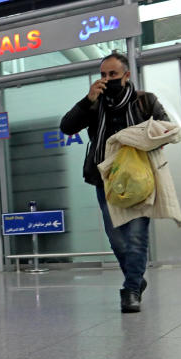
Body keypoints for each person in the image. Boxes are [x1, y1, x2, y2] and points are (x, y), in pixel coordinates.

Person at [60, 51, 167, 313]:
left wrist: (135, 137)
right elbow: (67, 127)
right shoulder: (95, 104)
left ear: (126, 75)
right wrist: (87, 100)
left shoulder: (145, 101)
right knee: (117, 238)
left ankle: (130, 290)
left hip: (141, 178)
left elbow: (166, 128)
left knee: (137, 237)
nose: (107, 79)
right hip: (106, 180)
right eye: (103, 75)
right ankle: (136, 278)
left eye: (113, 75)